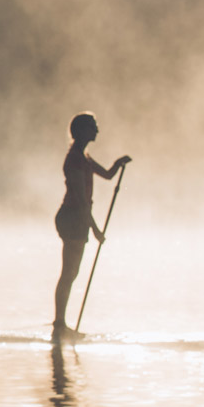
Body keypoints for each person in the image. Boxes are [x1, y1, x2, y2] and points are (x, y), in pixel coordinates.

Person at [53, 112, 129, 342]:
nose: (97, 130)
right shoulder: (75, 159)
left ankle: (61, 324)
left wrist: (118, 164)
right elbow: (81, 201)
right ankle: (59, 326)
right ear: (83, 131)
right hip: (72, 217)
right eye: (93, 127)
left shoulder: (84, 157)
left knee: (72, 273)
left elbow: (106, 174)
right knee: (69, 273)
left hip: (78, 217)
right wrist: (95, 230)